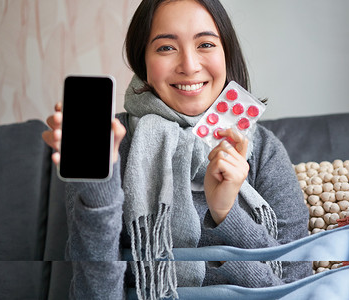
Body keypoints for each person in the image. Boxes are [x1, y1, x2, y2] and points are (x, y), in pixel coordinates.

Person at [42, 0, 312, 299]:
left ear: (227, 53)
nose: (189, 65)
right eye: (166, 48)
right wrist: (99, 191)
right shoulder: (110, 142)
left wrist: (225, 213)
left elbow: (294, 290)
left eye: (206, 44)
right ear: (142, 60)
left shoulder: (264, 150)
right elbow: (95, 293)